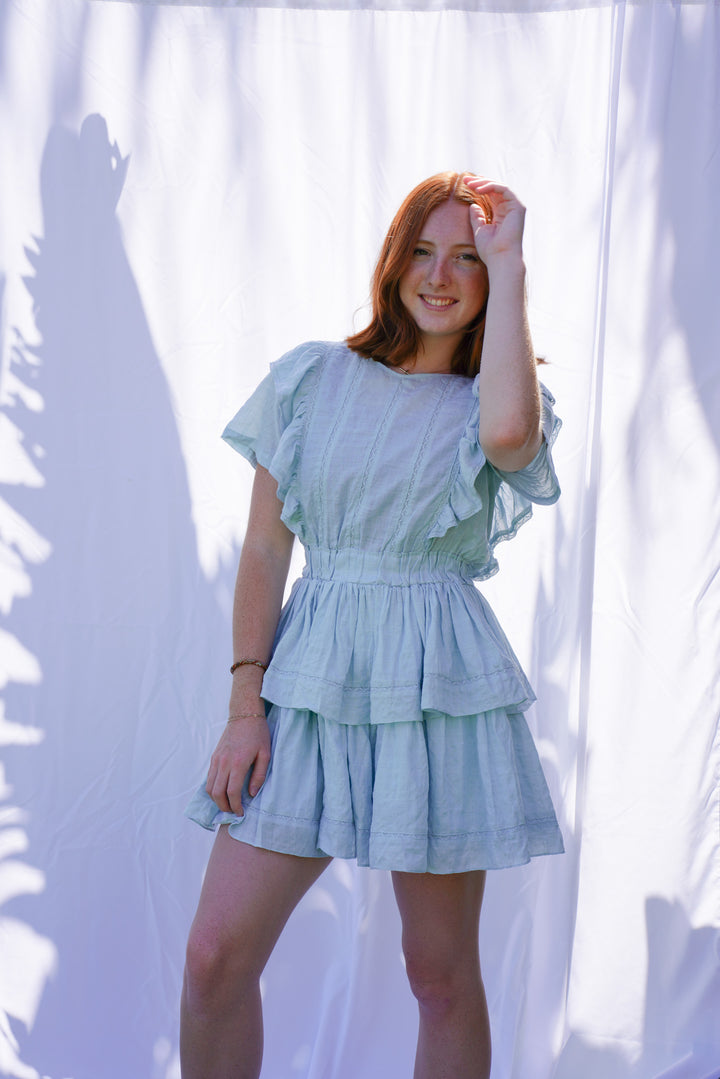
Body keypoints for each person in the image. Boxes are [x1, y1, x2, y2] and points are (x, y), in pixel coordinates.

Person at [180, 171, 563, 1079]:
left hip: (436, 686)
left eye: (466, 259)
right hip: (309, 683)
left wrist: (509, 261)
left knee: (437, 974)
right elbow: (266, 555)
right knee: (214, 958)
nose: (442, 276)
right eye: (423, 253)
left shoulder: (487, 402)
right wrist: (245, 708)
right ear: (392, 266)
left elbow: (512, 434)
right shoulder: (314, 378)